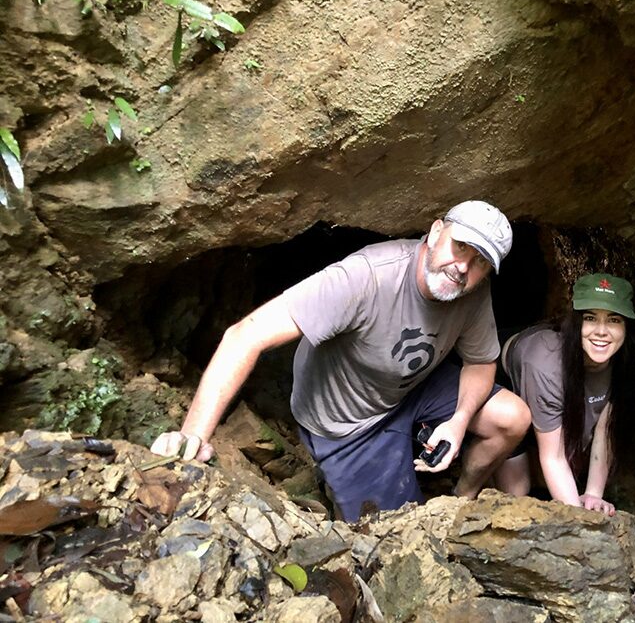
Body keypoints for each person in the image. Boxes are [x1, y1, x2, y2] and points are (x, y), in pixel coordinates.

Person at [150, 200, 531, 521]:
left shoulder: (471, 289)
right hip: (348, 424)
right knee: (390, 535)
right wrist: (192, 437)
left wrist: (458, 423)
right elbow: (244, 335)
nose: (463, 267)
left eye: (480, 261)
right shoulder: (367, 277)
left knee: (512, 418)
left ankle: (459, 500)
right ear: (434, 234)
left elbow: (481, 363)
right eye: (460, 246)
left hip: (413, 386)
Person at [494, 273, 635, 516]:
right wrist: (580, 521)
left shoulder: (630, 356)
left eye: (614, 320)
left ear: (627, 327)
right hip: (504, 375)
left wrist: (593, 493)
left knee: (566, 471)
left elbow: (606, 427)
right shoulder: (545, 363)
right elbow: (553, 457)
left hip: (550, 381)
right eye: (590, 318)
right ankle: (462, 495)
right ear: (574, 322)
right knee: (517, 494)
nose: (602, 331)